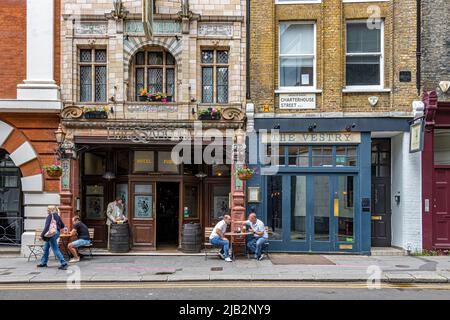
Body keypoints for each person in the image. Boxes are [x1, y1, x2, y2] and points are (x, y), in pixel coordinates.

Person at [37, 206, 68, 270]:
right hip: (56, 233)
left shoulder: (50, 216)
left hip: (51, 234)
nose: (47, 210)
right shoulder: (58, 216)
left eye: (48, 209)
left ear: (51, 210)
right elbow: (62, 226)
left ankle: (64, 263)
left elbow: (47, 227)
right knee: (46, 248)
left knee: (55, 248)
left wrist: (42, 235)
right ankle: (43, 263)